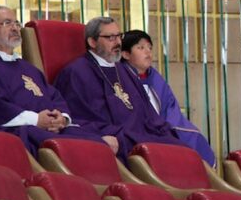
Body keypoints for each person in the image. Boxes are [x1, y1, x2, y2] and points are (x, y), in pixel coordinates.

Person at [0, 6, 111, 155]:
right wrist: (37, 120)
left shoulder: (28, 68)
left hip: (50, 128)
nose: (15, 28)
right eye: (7, 23)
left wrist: (62, 118)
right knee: (80, 148)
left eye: (17, 23)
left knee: (101, 142)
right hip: (18, 131)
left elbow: (54, 95)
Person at [54, 16, 184, 159]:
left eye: (119, 36)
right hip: (118, 143)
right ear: (92, 41)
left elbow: (149, 114)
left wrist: (165, 132)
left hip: (142, 137)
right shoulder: (76, 73)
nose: (118, 42)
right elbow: (76, 118)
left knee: (183, 149)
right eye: (110, 38)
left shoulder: (125, 70)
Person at [121, 30, 216, 165]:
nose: (148, 52)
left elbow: (170, 108)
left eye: (149, 47)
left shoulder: (155, 78)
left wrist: (169, 129)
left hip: (161, 128)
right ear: (125, 54)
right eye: (141, 48)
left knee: (195, 138)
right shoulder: (119, 77)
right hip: (137, 131)